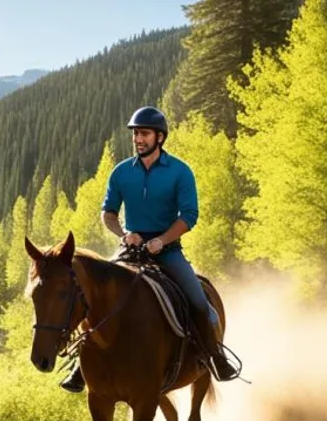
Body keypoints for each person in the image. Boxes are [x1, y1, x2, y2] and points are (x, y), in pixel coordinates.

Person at [60, 105, 239, 393]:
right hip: (129, 250)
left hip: (167, 251)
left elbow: (189, 216)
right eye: (135, 134)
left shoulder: (180, 172)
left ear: (160, 137)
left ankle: (214, 357)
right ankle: (79, 366)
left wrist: (162, 241)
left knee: (199, 303)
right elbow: (108, 213)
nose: (138, 139)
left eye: (144, 133)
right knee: (91, 295)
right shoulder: (121, 173)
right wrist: (124, 233)